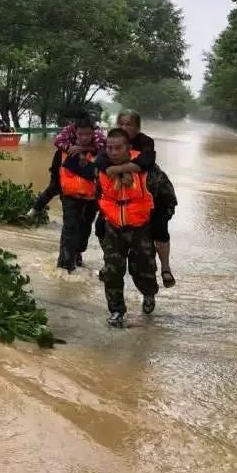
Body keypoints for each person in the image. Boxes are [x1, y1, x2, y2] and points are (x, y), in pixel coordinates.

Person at [64, 126, 158, 327]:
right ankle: (116, 311)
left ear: (128, 148)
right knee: (112, 271)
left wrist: (159, 227)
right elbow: (98, 195)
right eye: (110, 148)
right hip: (113, 227)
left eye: (118, 148)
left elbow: (165, 197)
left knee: (143, 270)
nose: (113, 152)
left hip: (141, 228)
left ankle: (149, 294)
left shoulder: (147, 169)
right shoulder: (100, 168)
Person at [116, 111, 176, 288]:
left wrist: (123, 169)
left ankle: (165, 267)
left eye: (129, 124)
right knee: (104, 227)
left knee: (159, 229)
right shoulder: (112, 142)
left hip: (157, 195)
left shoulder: (145, 142)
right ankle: (111, 264)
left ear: (137, 127)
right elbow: (102, 161)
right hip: (131, 198)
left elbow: (146, 160)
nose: (125, 128)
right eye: (121, 124)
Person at [56, 116, 99, 272]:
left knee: (85, 230)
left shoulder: (101, 151)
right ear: (76, 133)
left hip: (91, 199)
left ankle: (78, 253)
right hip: (70, 196)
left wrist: (83, 150)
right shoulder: (66, 147)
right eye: (81, 134)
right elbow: (55, 171)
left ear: (93, 133)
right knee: (69, 227)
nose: (84, 137)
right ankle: (65, 263)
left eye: (88, 134)